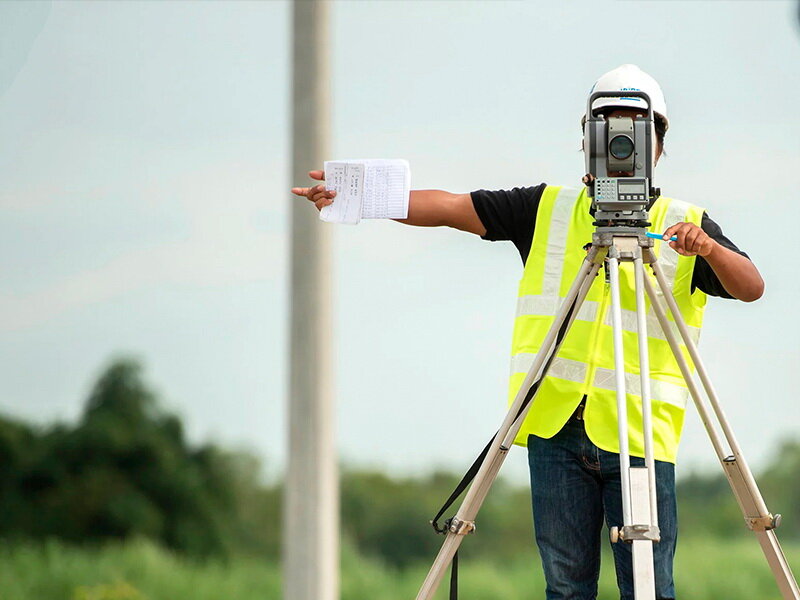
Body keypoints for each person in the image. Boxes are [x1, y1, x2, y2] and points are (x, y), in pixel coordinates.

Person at [291, 64, 764, 600]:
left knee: (650, 589)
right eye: (608, 127)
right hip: (555, 429)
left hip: (639, 435)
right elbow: (451, 207)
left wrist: (708, 248)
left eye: (633, 127)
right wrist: (360, 196)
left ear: (658, 141)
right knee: (564, 588)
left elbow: (750, 286)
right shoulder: (547, 209)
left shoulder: (686, 224)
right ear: (586, 135)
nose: (620, 141)